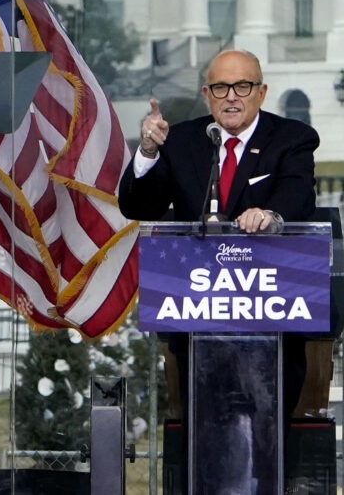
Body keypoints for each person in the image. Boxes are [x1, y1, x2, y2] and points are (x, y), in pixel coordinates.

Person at [118, 49, 319, 490]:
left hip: (272, 323)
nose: (232, 97)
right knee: (206, 445)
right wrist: (148, 150)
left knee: (265, 447)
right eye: (221, 88)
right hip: (200, 326)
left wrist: (270, 215)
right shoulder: (185, 141)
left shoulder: (293, 138)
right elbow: (139, 205)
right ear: (207, 95)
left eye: (243, 86)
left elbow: (299, 194)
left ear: (261, 92)